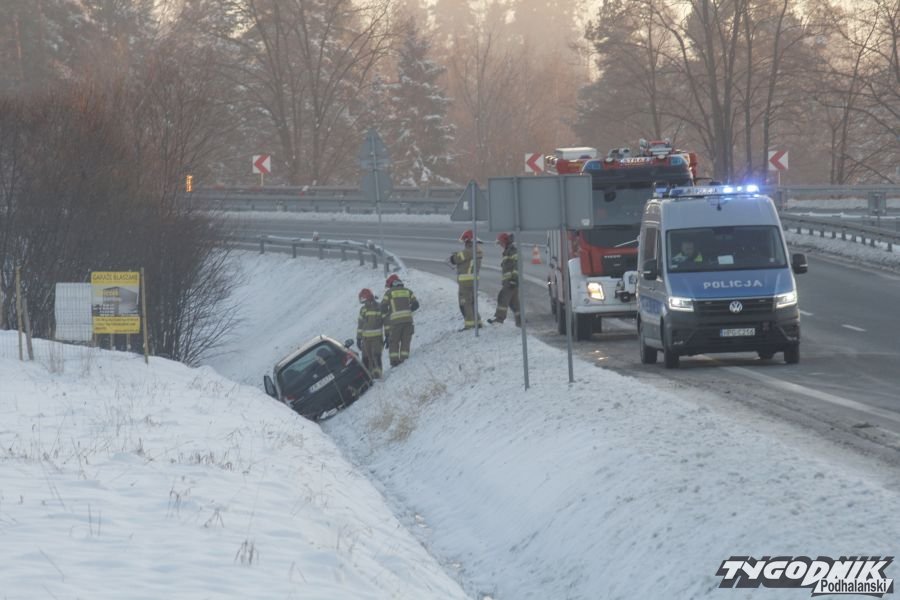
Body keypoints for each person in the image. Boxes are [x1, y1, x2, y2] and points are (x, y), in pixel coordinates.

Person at [381, 274, 419, 367]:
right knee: (406, 341)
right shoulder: (408, 291)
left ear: (392, 284)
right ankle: (404, 360)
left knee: (394, 342)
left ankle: (394, 361)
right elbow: (416, 305)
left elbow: (383, 307)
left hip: (396, 322)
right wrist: (408, 310)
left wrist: (388, 312)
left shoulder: (389, 293)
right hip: (408, 321)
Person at [449, 229, 483, 330]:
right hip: (474, 281)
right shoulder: (478, 250)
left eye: (465, 241)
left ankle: (470, 325)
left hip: (465, 282)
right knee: (473, 302)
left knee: (465, 303)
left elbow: (454, 259)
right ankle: (478, 322)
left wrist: (454, 256)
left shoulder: (468, 251)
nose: (464, 244)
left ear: (468, 241)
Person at [488, 232, 520, 326]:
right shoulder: (507, 251)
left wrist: (513, 279)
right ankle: (520, 321)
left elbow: (517, 265)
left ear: (505, 242)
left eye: (501, 243)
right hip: (510, 281)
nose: (500, 245)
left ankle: (499, 319)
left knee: (502, 298)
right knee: (514, 304)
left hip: (510, 281)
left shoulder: (512, 251)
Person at [356, 288, 384, 378]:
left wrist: (388, 334)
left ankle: (378, 374)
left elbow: (385, 320)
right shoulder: (363, 309)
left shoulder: (379, 307)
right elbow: (360, 325)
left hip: (377, 338)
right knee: (366, 358)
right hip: (365, 339)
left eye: (363, 298)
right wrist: (358, 338)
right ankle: (369, 376)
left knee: (376, 356)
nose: (362, 301)